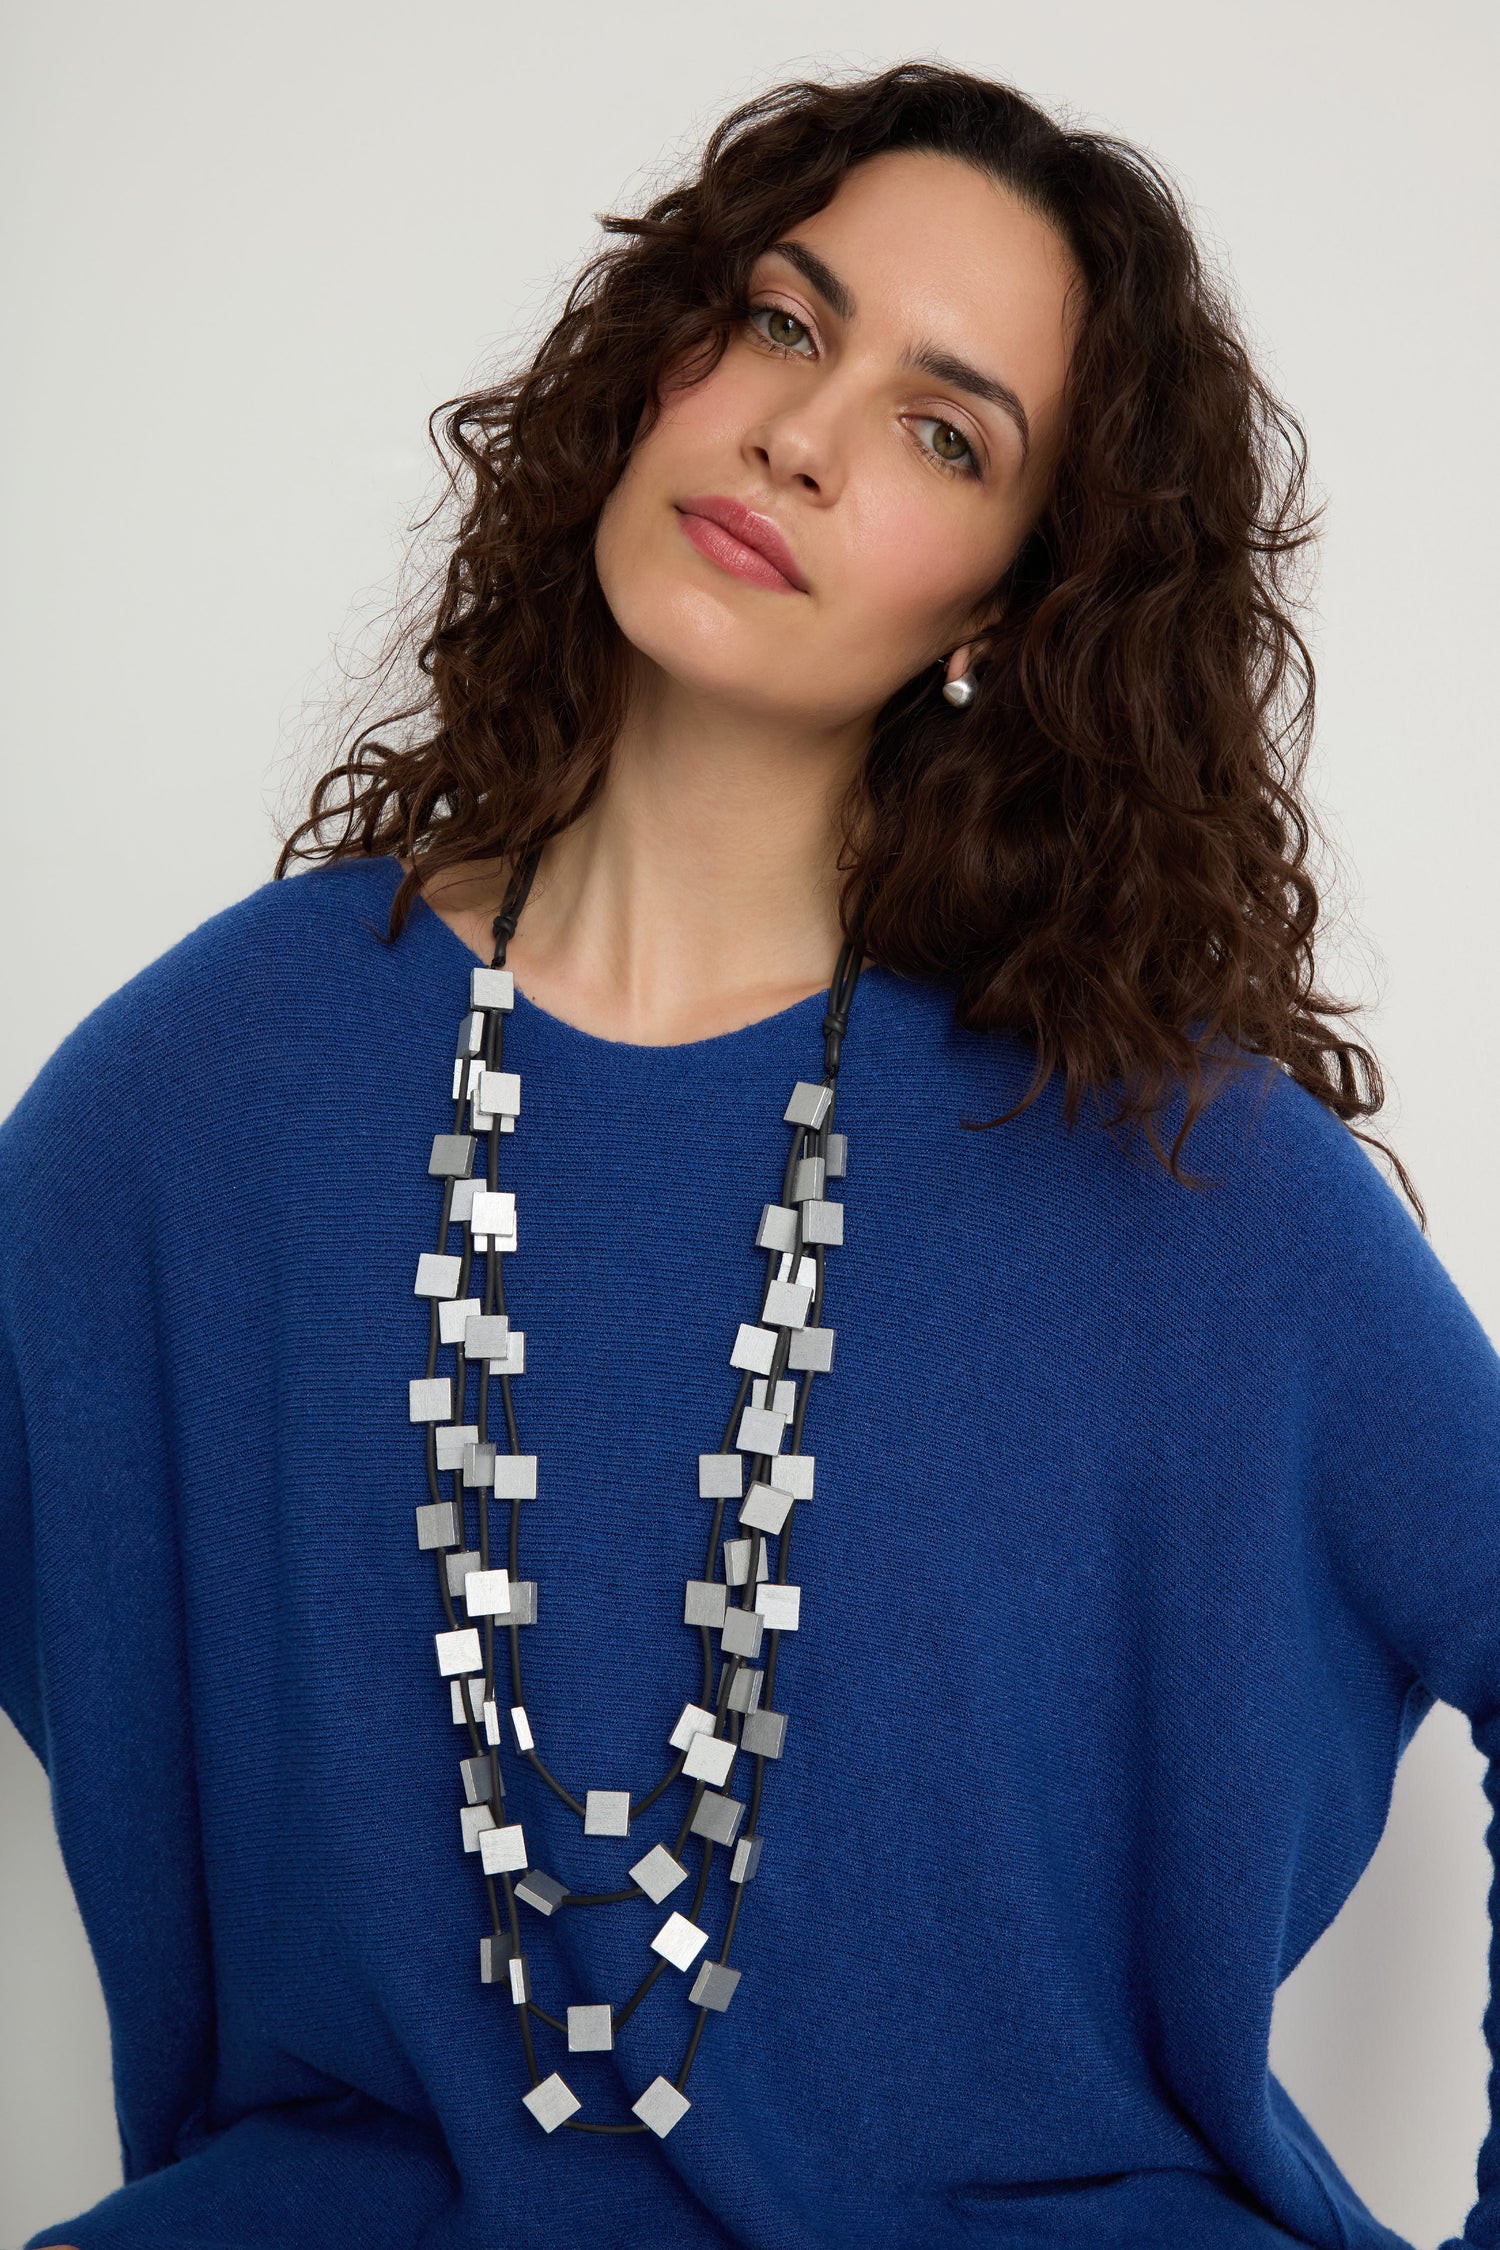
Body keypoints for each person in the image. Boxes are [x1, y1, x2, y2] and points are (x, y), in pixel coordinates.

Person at [3, 58, 1495, 2250]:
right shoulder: (221, 1079)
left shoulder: (1171, 1166)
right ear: (662, 363)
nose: (801, 432)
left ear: (1008, 611)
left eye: (944, 430)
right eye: (784, 322)